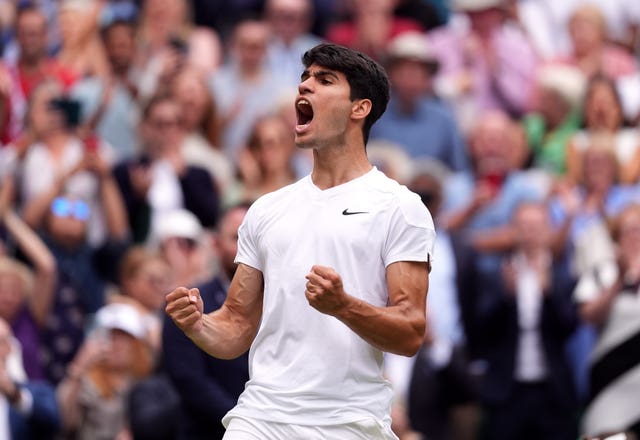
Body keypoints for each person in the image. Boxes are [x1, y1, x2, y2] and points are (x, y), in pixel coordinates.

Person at [166, 43, 436, 439]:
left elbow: (410, 332)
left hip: (348, 423)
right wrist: (198, 325)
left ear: (359, 108)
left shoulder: (400, 207)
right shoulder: (266, 210)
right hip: (259, 419)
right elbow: (237, 326)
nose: (305, 87)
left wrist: (342, 306)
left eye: (324, 80)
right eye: (304, 78)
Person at [162, 204, 251, 440]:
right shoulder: (187, 303)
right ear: (215, 243)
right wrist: (243, 423)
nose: (246, 246)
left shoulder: (282, 300)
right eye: (236, 237)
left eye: (252, 237)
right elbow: (190, 380)